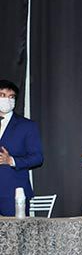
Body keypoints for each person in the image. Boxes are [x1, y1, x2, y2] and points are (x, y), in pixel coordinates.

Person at [0, 80, 43, 216]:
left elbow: (37, 158)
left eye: (11, 97)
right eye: (2, 95)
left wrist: (11, 160)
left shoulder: (27, 126)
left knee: (15, 230)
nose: (7, 100)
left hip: (12, 194)